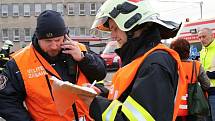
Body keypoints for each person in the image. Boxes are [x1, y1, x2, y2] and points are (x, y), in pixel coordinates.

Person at [77, 0, 187, 121]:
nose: (113, 36)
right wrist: (102, 94)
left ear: (133, 25)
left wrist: (94, 104)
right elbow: (128, 99)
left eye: (115, 28)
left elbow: (139, 117)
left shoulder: (155, 63)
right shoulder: (140, 59)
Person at [0, 10, 107, 121]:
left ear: (65, 37)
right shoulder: (19, 62)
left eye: (57, 40)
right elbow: (5, 101)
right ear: (38, 38)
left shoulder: (79, 50)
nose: (54, 46)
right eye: (48, 41)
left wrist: (83, 58)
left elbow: (101, 74)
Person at [170, 38, 210, 121]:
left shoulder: (169, 65)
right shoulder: (196, 65)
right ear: (188, 50)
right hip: (193, 106)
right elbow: (206, 85)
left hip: (173, 108)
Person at [198, 28, 215, 121]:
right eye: (199, 37)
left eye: (204, 36)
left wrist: (206, 74)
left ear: (212, 36)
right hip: (204, 91)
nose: (201, 39)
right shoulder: (203, 51)